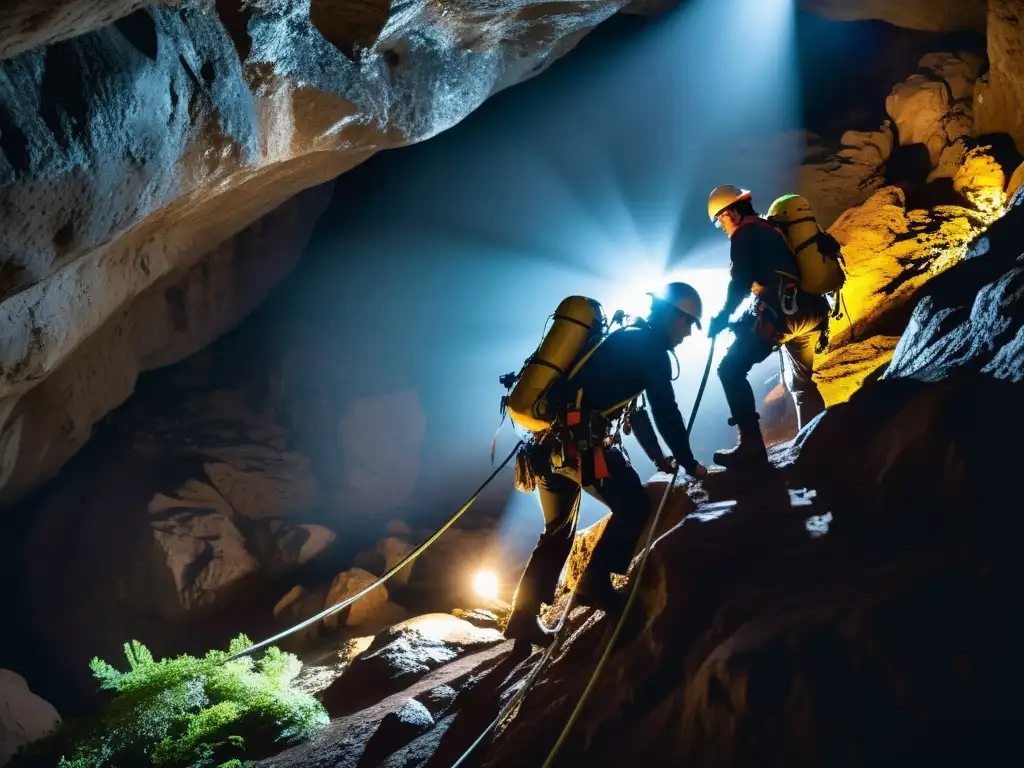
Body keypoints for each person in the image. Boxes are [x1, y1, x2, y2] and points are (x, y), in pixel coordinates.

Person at [504, 282, 709, 647]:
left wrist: (659, 458)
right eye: (688, 322)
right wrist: (689, 461)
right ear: (672, 315)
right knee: (633, 505)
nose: (690, 332)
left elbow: (638, 412)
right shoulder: (651, 351)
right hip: (582, 448)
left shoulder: (625, 339)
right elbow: (665, 409)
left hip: (549, 448)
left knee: (556, 534)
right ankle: (595, 583)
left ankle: (522, 618)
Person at [704, 184, 829, 468]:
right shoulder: (770, 228)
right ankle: (819, 440)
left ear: (732, 213)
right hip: (809, 311)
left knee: (730, 369)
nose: (721, 226)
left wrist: (722, 318)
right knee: (801, 383)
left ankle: (751, 448)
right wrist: (738, 323)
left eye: (720, 219)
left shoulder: (744, 234)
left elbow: (740, 284)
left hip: (782, 314)